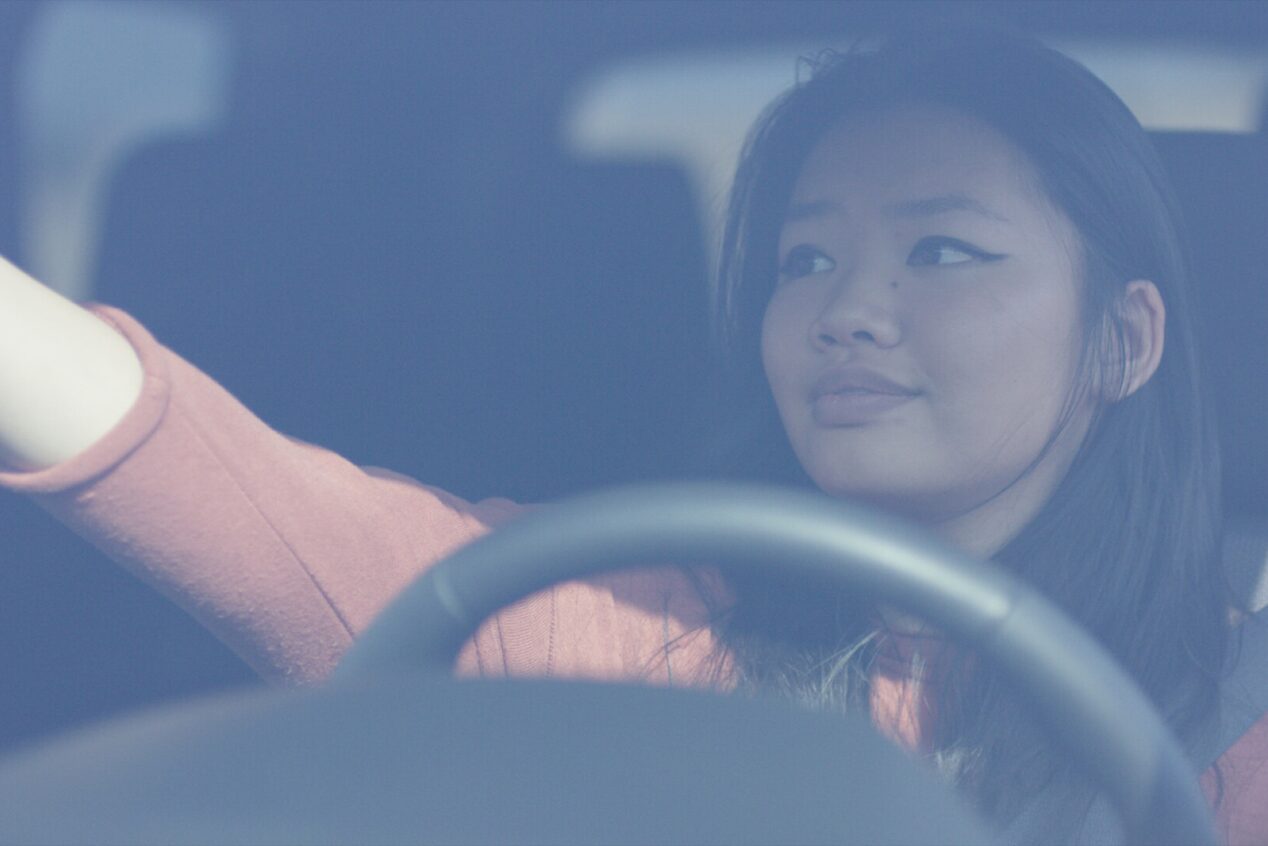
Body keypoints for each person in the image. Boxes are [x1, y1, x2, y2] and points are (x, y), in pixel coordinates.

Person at [0, 26, 1262, 843]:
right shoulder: (628, 629)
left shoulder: (1233, 716)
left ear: (1122, 340)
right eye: (803, 259)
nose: (847, 310)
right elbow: (224, 491)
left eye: (939, 249)